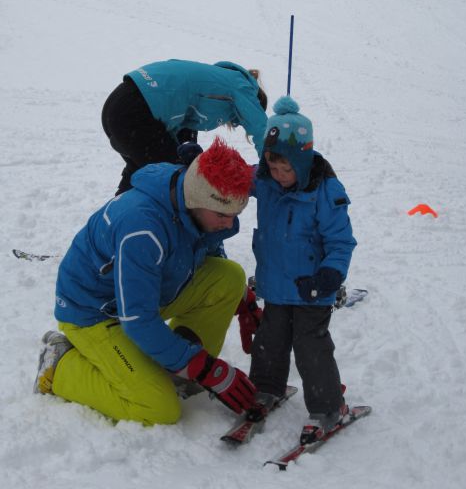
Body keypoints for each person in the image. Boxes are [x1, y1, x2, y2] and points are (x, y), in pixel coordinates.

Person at [33, 137, 259, 426]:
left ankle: (173, 367)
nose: (229, 224)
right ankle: (60, 364)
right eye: (222, 215)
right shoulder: (142, 227)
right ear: (198, 200)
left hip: (146, 291)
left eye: (235, 215)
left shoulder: (191, 199)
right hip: (95, 312)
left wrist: (243, 299)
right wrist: (205, 369)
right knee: (157, 408)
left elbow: (206, 250)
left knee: (230, 278)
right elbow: (137, 319)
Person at [244, 96, 357, 444]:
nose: (279, 177)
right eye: (273, 167)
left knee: (311, 347)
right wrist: (207, 167)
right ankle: (266, 389)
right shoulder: (264, 180)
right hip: (276, 285)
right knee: (269, 340)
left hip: (312, 289)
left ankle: (328, 408)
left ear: (303, 160)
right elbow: (233, 179)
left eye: (286, 169)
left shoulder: (326, 191)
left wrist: (328, 276)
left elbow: (341, 242)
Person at [102, 59, 268, 195]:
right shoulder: (243, 87)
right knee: (176, 182)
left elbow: (181, 133)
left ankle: (112, 221)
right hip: (137, 110)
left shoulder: (218, 80)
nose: (232, 123)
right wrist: (271, 165)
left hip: (119, 103)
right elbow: (262, 130)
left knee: (144, 172)